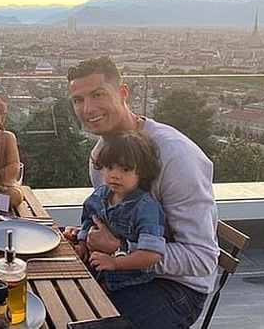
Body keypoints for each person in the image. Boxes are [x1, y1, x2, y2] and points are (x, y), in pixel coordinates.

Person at [63, 56, 218, 329]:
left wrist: (121, 249)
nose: (88, 109)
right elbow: (117, 219)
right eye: (78, 100)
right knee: (44, 293)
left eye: (98, 94)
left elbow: (201, 259)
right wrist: (86, 236)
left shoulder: (175, 156)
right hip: (122, 273)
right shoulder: (101, 155)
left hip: (176, 289)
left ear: (123, 93)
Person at [73, 130, 166, 292]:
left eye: (125, 169)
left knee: (85, 300)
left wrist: (115, 262)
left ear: (142, 171)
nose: (115, 175)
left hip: (128, 281)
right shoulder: (100, 194)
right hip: (96, 267)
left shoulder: (146, 208)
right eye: (109, 167)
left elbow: (152, 255)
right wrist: (82, 242)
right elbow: (89, 218)